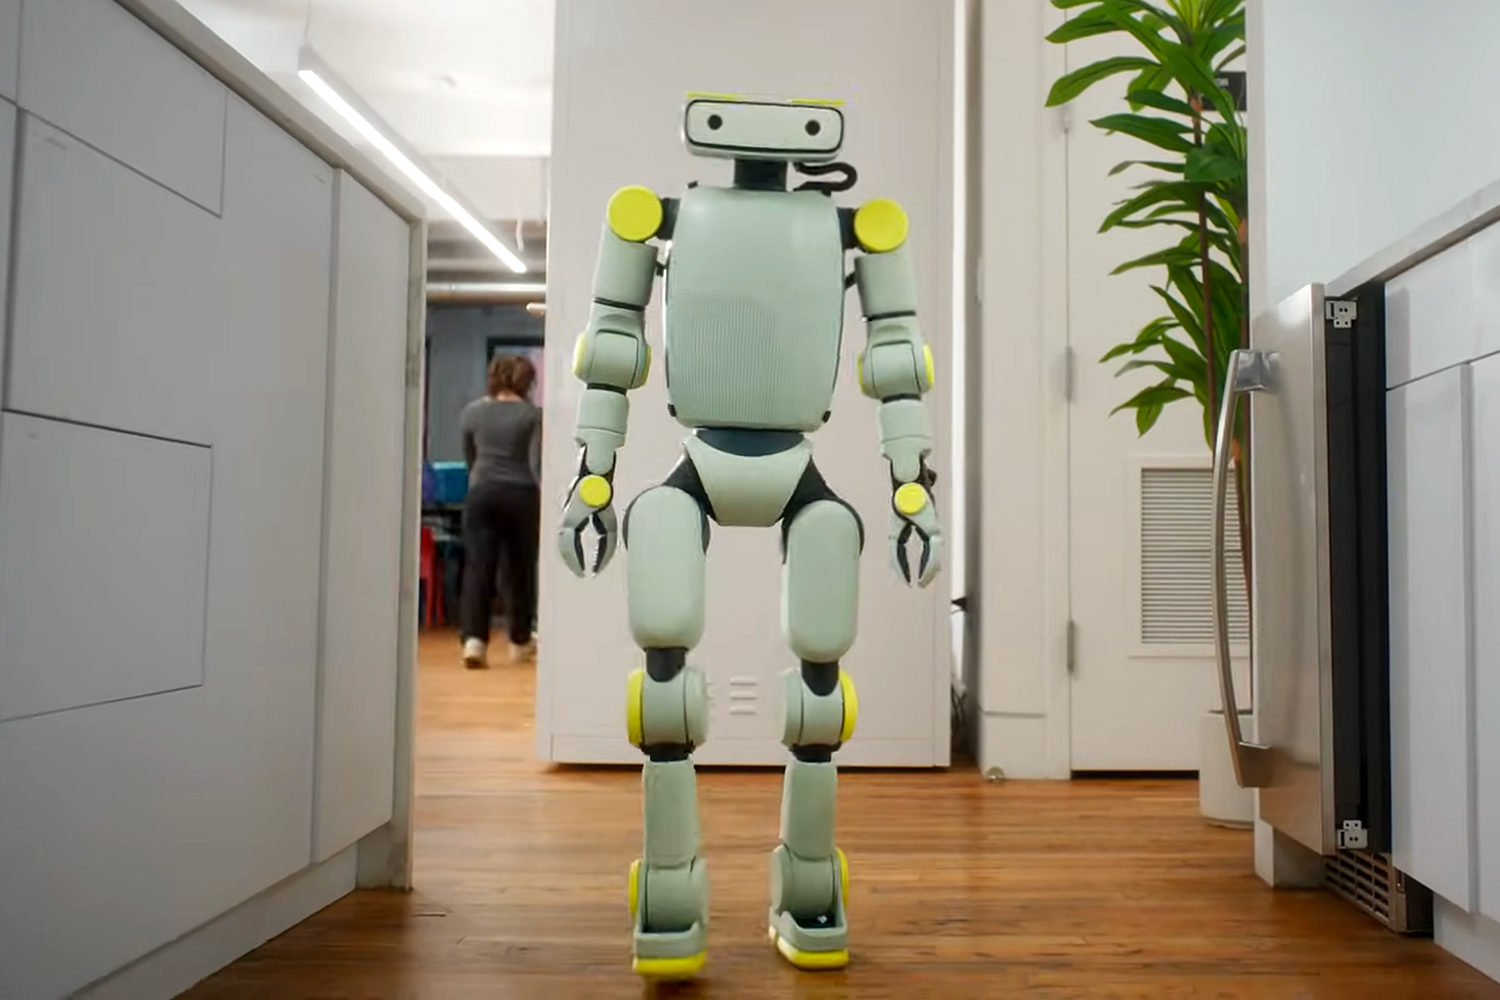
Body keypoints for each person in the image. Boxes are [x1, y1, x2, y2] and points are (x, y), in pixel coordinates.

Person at [458, 353, 542, 668]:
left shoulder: (472, 413)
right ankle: (519, 641)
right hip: (521, 495)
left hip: (482, 493)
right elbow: (536, 463)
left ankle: (474, 642)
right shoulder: (533, 416)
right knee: (520, 570)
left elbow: (470, 458)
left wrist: (481, 480)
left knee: (478, 568)